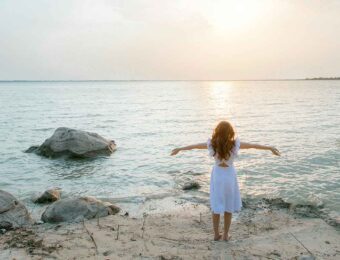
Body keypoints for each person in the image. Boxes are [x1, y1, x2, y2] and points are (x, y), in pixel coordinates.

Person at [171, 121, 280, 241]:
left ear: (217, 131)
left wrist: (180, 149)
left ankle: (216, 234)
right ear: (230, 132)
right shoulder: (234, 144)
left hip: (217, 176)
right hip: (229, 176)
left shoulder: (212, 144)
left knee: (216, 205)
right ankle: (226, 235)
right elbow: (252, 145)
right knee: (229, 204)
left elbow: (196, 145)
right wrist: (269, 148)